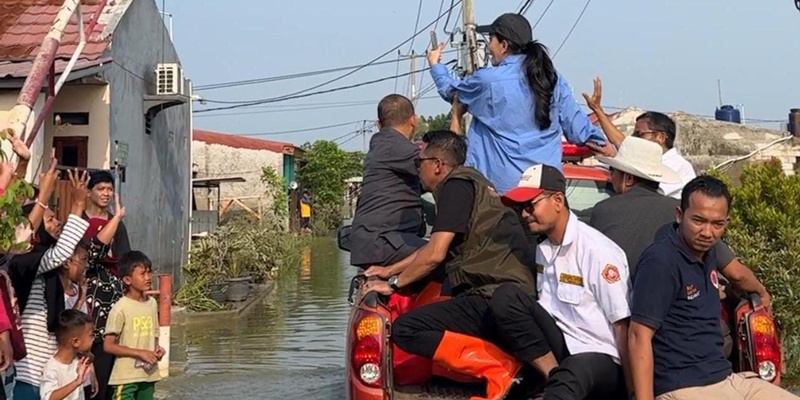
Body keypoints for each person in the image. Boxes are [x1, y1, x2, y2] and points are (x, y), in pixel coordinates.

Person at [364, 130, 538, 400]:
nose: (417, 170)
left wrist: (393, 285)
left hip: (492, 293)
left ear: (437, 165)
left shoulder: (456, 187)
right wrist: (389, 270)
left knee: (407, 329)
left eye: (419, 163)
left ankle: (501, 370)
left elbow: (435, 254)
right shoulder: (473, 183)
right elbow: (433, 248)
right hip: (506, 292)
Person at [628, 176, 798, 400]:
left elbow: (739, 274)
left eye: (717, 224)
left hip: (726, 378)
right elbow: (638, 336)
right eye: (698, 220)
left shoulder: (711, 250)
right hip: (685, 386)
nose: (707, 232)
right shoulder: (661, 261)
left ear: (726, 223)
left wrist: (763, 294)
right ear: (680, 215)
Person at [427, 12, 612, 195]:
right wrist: (605, 145)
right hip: (545, 192)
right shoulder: (552, 79)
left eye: (490, 39)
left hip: (499, 195)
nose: (488, 46)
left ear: (504, 45)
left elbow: (452, 93)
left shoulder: (488, 81)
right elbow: (578, 127)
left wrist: (435, 65)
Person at [590, 137, 772, 305]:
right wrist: (762, 294)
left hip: (615, 313)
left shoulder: (602, 210)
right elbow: (737, 275)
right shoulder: (687, 216)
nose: (610, 177)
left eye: (613, 171)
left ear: (628, 179)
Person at [500, 164, 630, 399]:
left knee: (573, 373)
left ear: (558, 201)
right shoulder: (544, 249)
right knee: (505, 298)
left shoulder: (597, 251)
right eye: (520, 207)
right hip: (563, 347)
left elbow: (623, 326)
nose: (524, 214)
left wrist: (631, 391)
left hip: (600, 354)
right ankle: (548, 378)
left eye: (530, 205)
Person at [12, 171, 92, 400]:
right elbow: (61, 254)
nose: (57, 223)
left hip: (52, 373)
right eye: (50, 219)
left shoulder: (48, 269)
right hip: (28, 374)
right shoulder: (24, 262)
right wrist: (77, 204)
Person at [583, 79, 695, 199]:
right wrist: (597, 110)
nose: (635, 139)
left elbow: (644, 194)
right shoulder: (646, 161)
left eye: (639, 134)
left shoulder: (678, 166)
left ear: (661, 137)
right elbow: (621, 143)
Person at [349, 94, 426, 268]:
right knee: (446, 256)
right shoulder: (398, 148)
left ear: (378, 124)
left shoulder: (379, 145)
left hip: (371, 242)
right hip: (385, 241)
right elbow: (441, 168)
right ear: (413, 120)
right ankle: (393, 281)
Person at [82, 171, 129, 400]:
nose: (106, 194)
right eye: (101, 189)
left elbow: (125, 261)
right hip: (88, 299)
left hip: (113, 299)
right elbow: (86, 255)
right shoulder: (79, 221)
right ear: (89, 191)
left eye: (109, 189)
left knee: (112, 372)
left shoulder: (118, 224)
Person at [103, 251, 164, 400]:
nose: (148, 278)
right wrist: (140, 353)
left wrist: (157, 350)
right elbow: (108, 346)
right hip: (126, 377)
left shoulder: (152, 303)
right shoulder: (120, 308)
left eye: (149, 273)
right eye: (142, 274)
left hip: (148, 375)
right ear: (127, 280)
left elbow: (154, 335)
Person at [40, 310, 95, 400]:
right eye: (91, 335)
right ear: (75, 342)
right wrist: (77, 382)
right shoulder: (52, 367)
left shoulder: (78, 362)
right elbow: (49, 397)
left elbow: (91, 357)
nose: (93, 339)